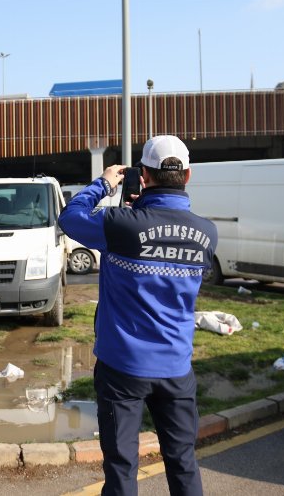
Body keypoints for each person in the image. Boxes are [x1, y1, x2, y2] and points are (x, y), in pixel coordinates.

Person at [59, 135, 218, 496]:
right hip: (176, 368)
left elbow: (70, 219)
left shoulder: (122, 225)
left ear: (142, 175)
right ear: (188, 176)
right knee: (182, 461)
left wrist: (103, 183)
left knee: (121, 466)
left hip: (122, 367)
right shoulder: (207, 234)